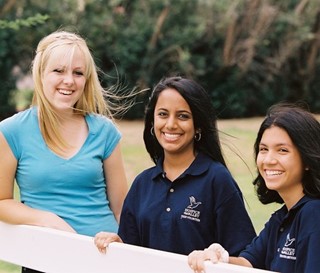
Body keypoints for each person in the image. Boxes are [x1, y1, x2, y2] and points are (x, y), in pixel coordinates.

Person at [0, 30, 128, 273]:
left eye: (78, 73)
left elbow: (122, 207)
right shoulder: (11, 131)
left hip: (103, 259)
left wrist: (125, 247)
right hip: (44, 259)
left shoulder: (105, 131)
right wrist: (47, 220)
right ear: (40, 74)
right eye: (59, 71)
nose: (69, 80)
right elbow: (1, 201)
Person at [94, 76, 256, 256]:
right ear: (152, 121)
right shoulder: (142, 184)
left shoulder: (217, 180)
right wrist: (118, 244)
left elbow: (243, 257)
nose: (171, 124)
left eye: (183, 116)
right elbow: (132, 254)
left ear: (198, 126)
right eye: (163, 114)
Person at [188, 103, 320, 273]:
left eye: (282, 150)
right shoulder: (281, 219)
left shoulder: (314, 213)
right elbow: (248, 263)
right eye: (263, 149)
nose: (268, 160)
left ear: (307, 158)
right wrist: (217, 259)